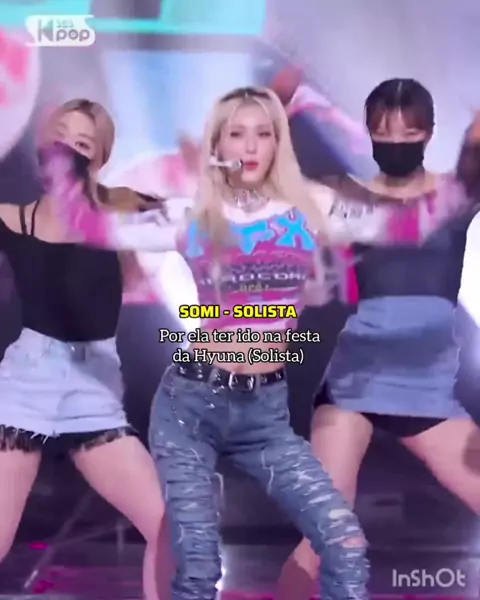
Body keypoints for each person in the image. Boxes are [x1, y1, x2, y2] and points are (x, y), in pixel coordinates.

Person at [40, 86, 371, 600]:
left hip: (266, 415)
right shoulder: (191, 214)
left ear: (278, 141)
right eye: (237, 133)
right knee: (197, 561)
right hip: (190, 408)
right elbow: (92, 225)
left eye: (263, 133)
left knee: (345, 542)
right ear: (218, 144)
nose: (251, 146)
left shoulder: (313, 207)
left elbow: (404, 218)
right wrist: (67, 159)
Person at [275, 78, 480, 600]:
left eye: (408, 132)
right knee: (322, 535)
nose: (396, 142)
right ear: (369, 133)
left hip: (426, 390)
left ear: (428, 133)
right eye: (384, 133)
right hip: (354, 384)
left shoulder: (454, 196)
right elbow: (269, 175)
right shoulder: (348, 197)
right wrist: (276, 100)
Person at [0, 99, 170, 600]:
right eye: (61, 139)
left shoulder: (120, 213)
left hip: (93, 389)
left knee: (169, 523)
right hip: (25, 386)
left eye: (82, 144)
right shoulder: (13, 218)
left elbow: (200, 217)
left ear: (98, 159)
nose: (68, 152)